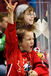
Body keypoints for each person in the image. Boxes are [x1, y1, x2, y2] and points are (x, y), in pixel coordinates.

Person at [4, 0, 49, 76]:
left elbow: (43, 68)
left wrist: (36, 72)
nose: (32, 42)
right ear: (19, 42)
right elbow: (11, 33)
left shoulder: (33, 54)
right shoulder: (13, 51)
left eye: (33, 39)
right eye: (29, 39)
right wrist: (10, 14)